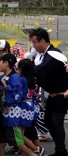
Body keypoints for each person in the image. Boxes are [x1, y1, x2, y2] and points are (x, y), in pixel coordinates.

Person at [29, 28, 68, 156]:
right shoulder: (44, 55)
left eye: (34, 42)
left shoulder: (53, 54)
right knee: (48, 121)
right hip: (52, 95)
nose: (33, 46)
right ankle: (60, 149)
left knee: (56, 122)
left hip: (62, 95)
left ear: (43, 41)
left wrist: (28, 69)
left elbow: (41, 69)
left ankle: (60, 151)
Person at [0, 53, 38, 156]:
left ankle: (36, 152)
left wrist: (7, 89)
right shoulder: (8, 76)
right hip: (13, 110)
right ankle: (35, 151)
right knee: (14, 137)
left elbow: (17, 94)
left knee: (16, 137)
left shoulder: (15, 77)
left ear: (6, 63)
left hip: (13, 110)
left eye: (0, 62)